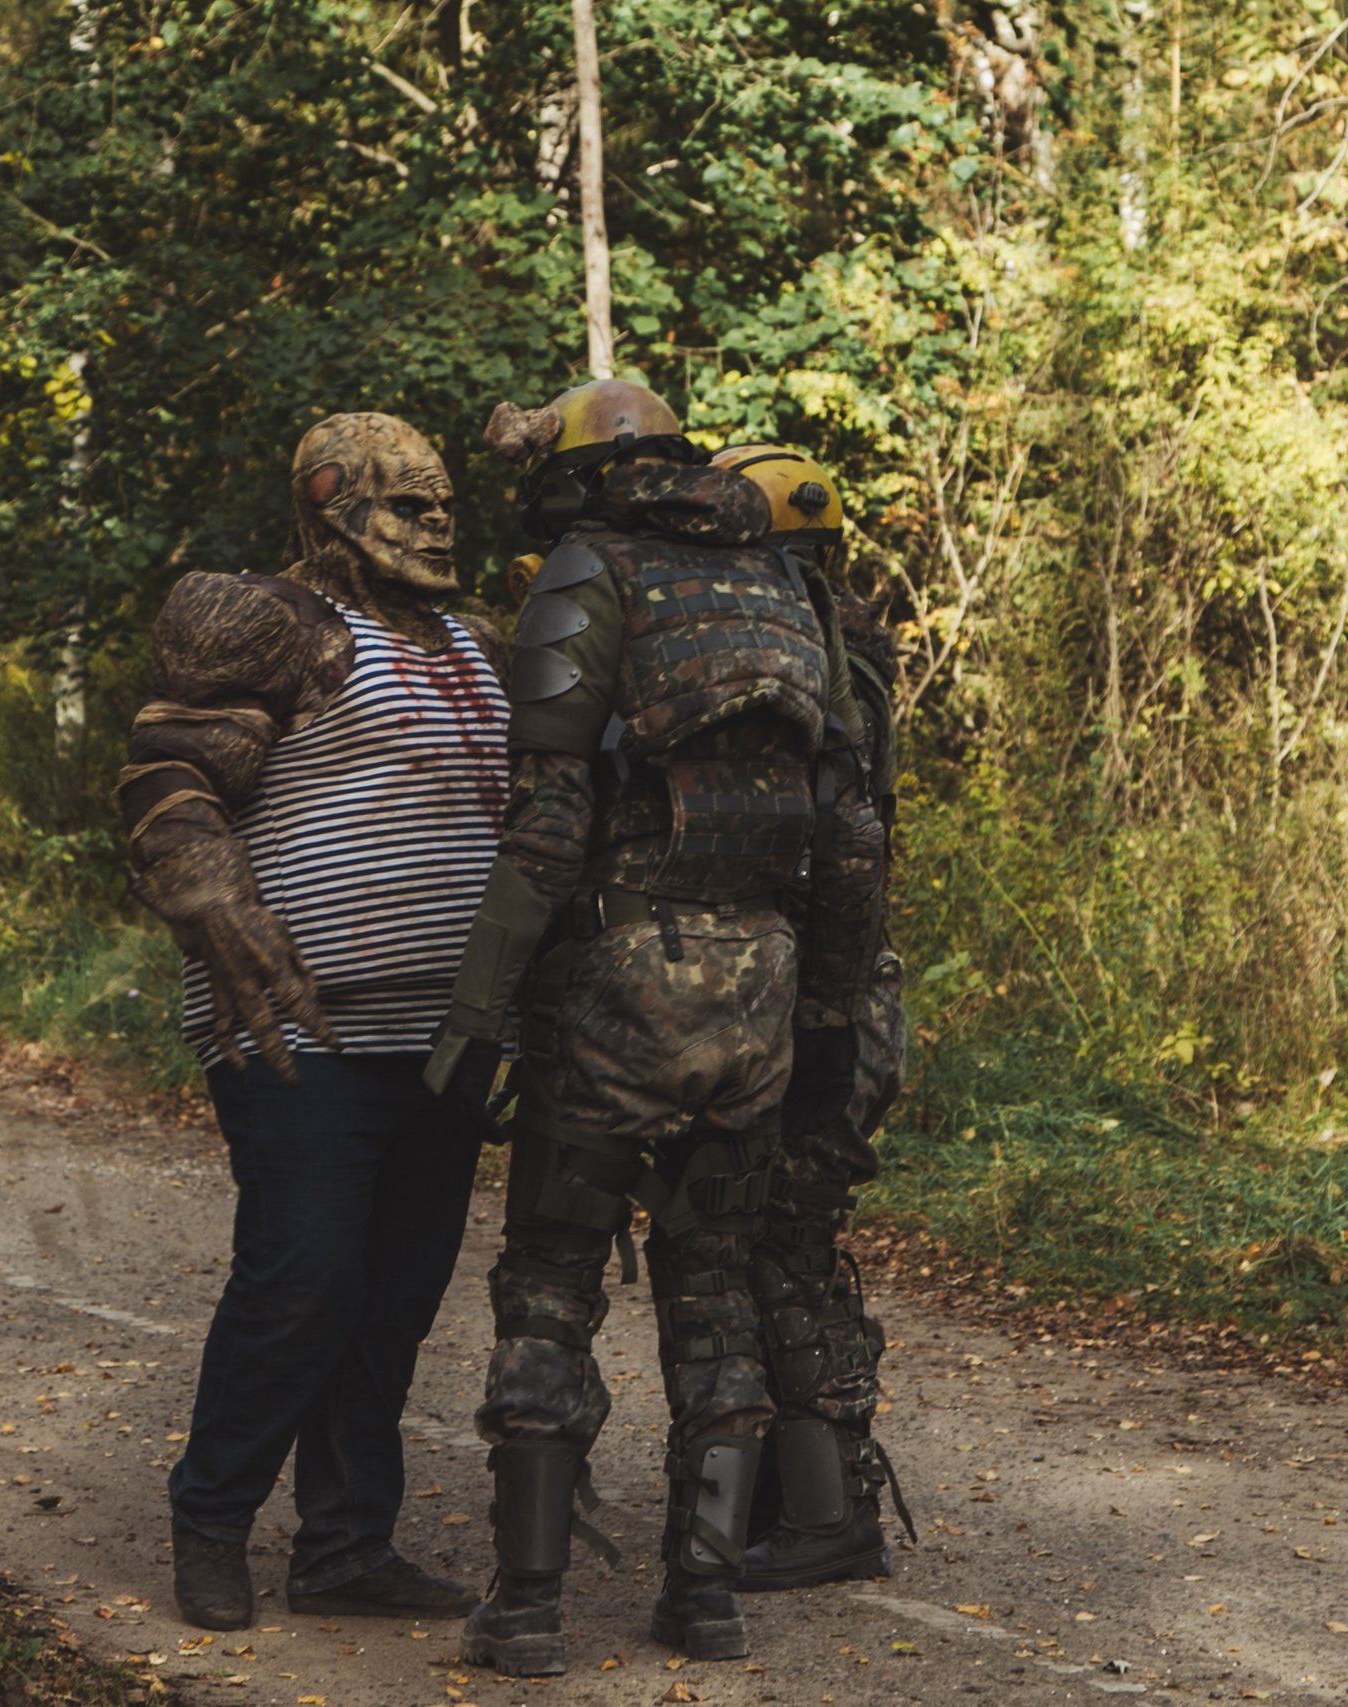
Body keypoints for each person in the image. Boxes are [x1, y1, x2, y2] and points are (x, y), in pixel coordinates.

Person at [422, 381, 888, 1671]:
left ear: (577, 478)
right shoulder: (785, 589)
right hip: (762, 996)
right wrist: (833, 1013)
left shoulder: (588, 572)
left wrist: (475, 1011)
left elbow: (551, 824)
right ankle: (707, 1598)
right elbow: (851, 837)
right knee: (714, 1290)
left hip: (619, 994)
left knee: (552, 1285)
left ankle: (524, 1609)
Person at [118, 411, 510, 1631]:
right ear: (328, 504)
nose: (436, 523)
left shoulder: (475, 640)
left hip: (447, 1032)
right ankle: (212, 1518)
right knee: (302, 1277)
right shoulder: (273, 620)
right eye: (406, 504)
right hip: (303, 1029)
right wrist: (209, 891)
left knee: (392, 1295)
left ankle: (345, 1549)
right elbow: (166, 773)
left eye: (445, 503)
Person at [709, 445, 917, 1590]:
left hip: (823, 1003)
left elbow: (842, 853)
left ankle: (828, 1517)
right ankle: (781, 1501)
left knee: (778, 1254)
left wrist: (827, 1031)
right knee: (767, 1249)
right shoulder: (839, 646)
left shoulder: (819, 668)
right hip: (821, 994)